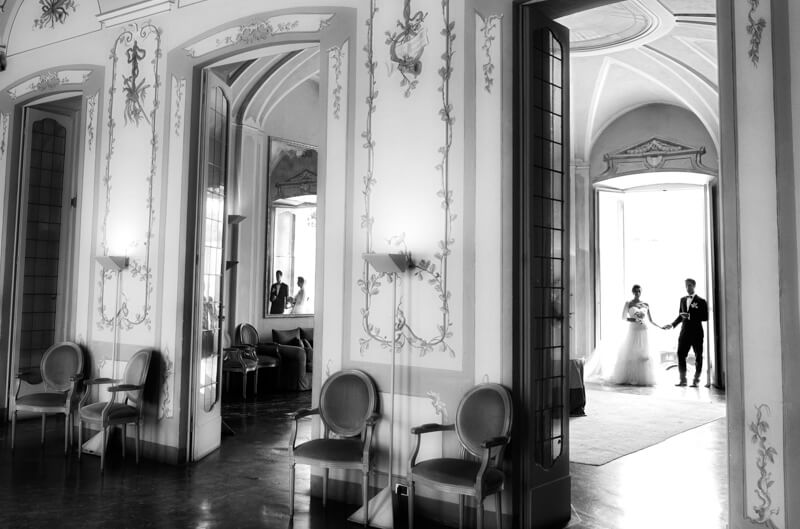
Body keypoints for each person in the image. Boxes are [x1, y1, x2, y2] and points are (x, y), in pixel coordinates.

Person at [586, 284, 665, 386]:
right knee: (632, 353)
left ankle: (643, 378)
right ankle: (630, 377)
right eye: (636, 291)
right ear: (633, 292)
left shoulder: (646, 304)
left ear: (641, 292)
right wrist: (634, 319)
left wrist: (660, 326)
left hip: (644, 330)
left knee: (643, 354)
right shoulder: (629, 303)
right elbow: (623, 317)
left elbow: (651, 320)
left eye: (639, 291)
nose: (637, 293)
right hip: (633, 330)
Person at [664, 278, 709, 387]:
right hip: (684, 332)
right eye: (686, 286)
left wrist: (690, 316)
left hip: (697, 332)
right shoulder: (682, 300)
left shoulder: (701, 301)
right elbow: (681, 315)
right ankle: (683, 380)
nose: (687, 288)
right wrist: (672, 324)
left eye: (689, 285)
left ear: (694, 286)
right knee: (680, 354)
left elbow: (705, 317)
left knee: (698, 356)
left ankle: (696, 380)